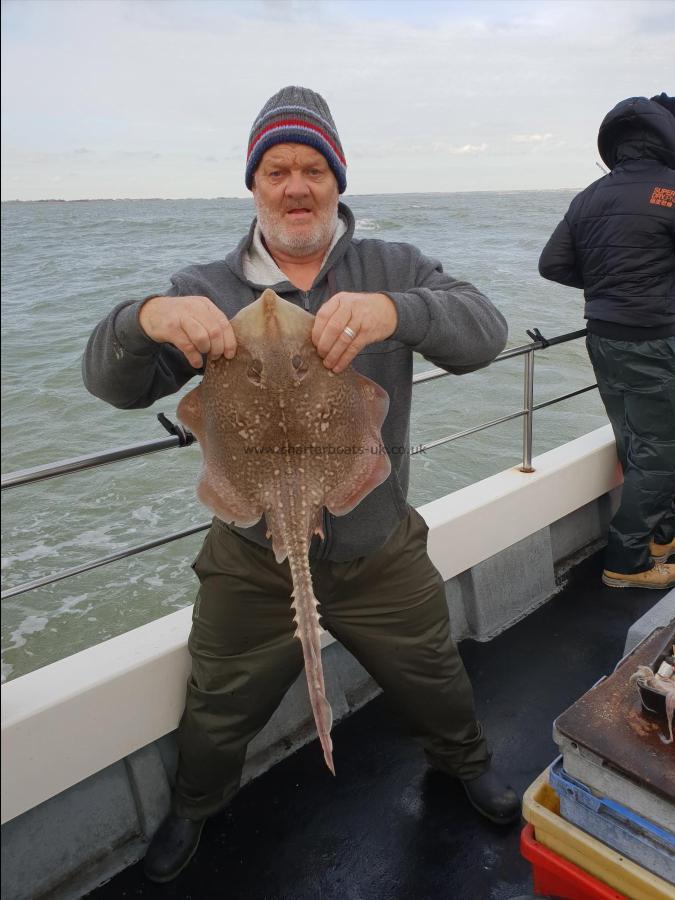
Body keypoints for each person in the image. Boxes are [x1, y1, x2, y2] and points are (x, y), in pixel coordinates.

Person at [83, 86, 517, 884]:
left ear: (337, 180)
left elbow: (483, 333)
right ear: (253, 184)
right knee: (218, 700)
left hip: (375, 542)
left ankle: (466, 761)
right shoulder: (204, 287)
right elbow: (113, 384)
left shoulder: (394, 266)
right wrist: (142, 319)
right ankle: (193, 806)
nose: (294, 186)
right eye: (275, 169)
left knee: (431, 672)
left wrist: (396, 311)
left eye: (312, 168)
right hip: (252, 552)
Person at [539, 94, 675, 590]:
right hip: (654, 339)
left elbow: (551, 264)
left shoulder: (589, 196)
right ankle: (628, 561)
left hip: (604, 337)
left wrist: (608, 286)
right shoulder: (670, 189)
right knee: (663, 449)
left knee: (633, 439)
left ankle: (663, 537)